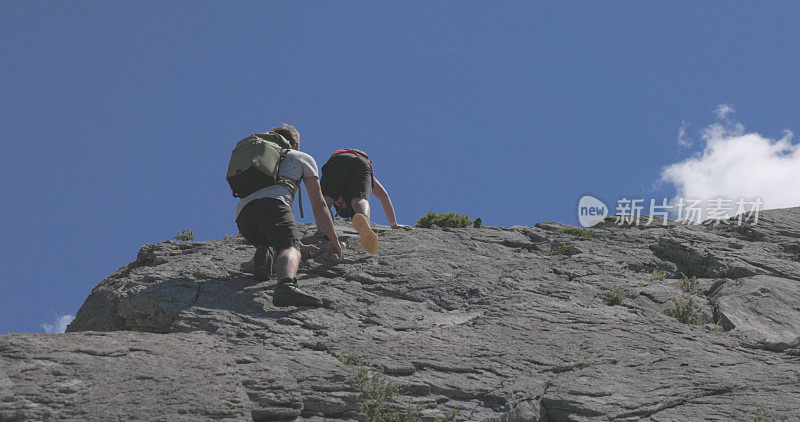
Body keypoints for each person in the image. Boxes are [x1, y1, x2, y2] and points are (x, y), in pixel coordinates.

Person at [234, 124, 343, 307]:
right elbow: (319, 204)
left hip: (244, 215)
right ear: (296, 144)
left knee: (275, 239)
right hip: (274, 205)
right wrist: (333, 239)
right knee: (290, 246)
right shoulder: (301, 157)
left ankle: (266, 252)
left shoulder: (259, 158)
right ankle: (286, 287)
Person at [320, 149, 411, 254]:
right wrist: (393, 224)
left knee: (326, 201)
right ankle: (364, 220)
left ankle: (324, 229)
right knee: (360, 199)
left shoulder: (336, 190)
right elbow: (383, 196)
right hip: (361, 162)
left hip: (337, 161)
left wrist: (320, 230)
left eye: (339, 204)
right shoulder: (360, 180)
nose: (338, 202)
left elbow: (319, 204)